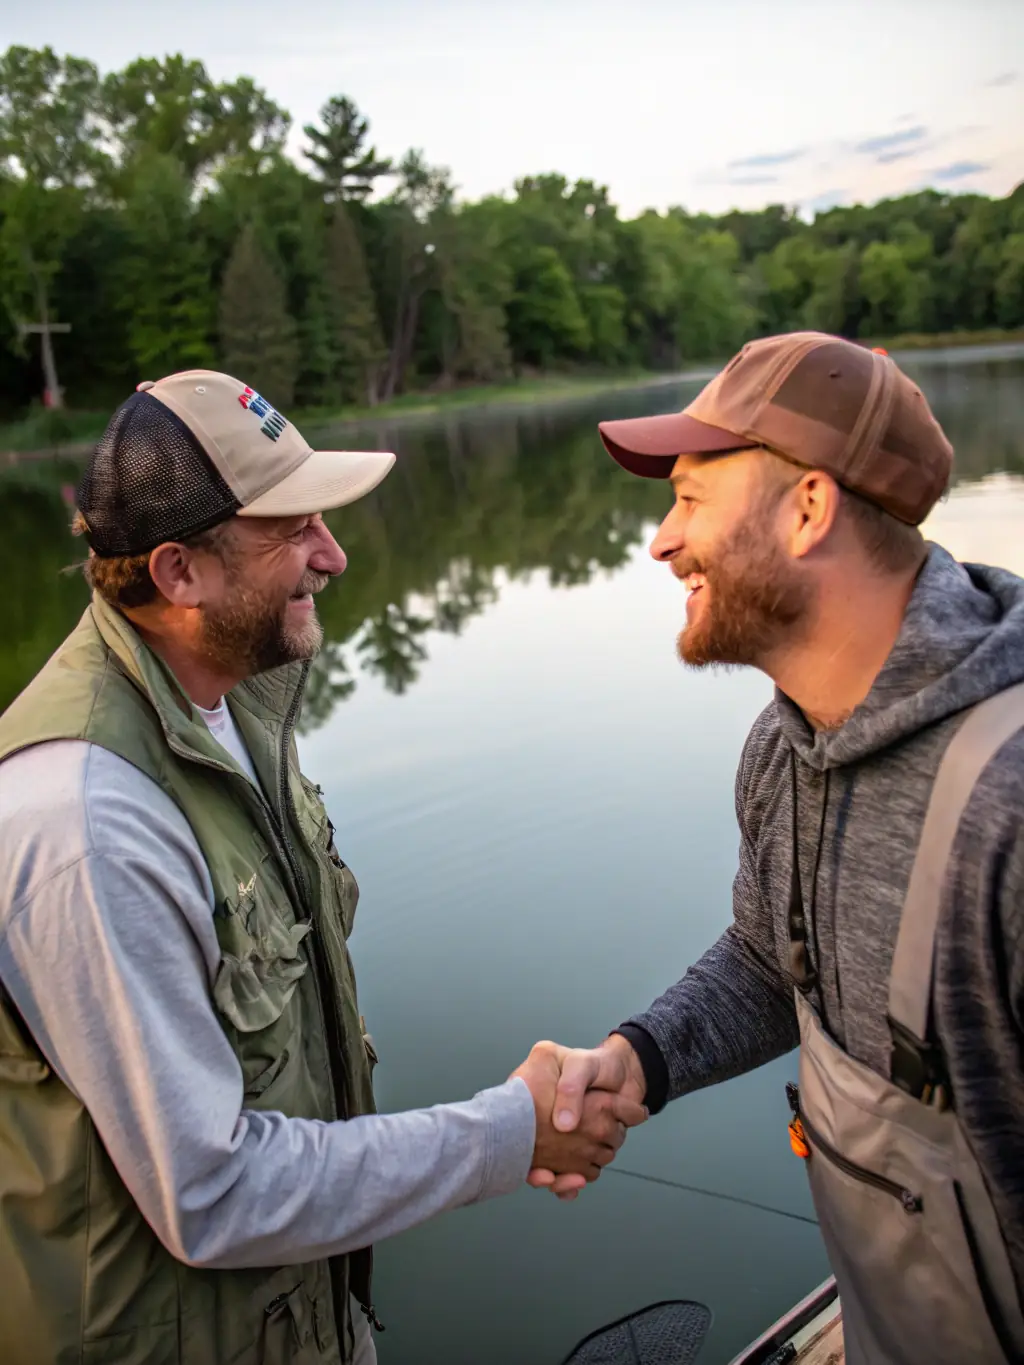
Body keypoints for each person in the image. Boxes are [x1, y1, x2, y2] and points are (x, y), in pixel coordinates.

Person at [0, 371, 647, 1365]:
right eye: (292, 527)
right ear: (178, 573)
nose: (334, 556)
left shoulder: (227, 708)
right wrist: (513, 1132)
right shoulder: (85, 825)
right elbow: (211, 1193)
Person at [527, 333, 1024, 1365]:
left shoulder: (1008, 803)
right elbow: (768, 958)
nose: (660, 543)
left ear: (807, 509)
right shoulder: (783, 745)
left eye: (690, 499)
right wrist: (640, 1060)